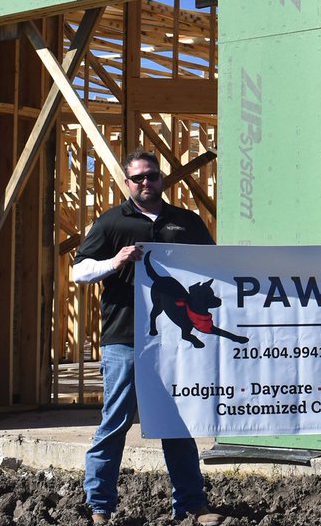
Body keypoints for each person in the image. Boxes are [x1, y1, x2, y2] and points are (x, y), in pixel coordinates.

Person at [72, 149, 222, 526]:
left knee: (177, 423)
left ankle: (191, 505)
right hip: (124, 339)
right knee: (116, 421)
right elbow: (79, 271)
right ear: (127, 183)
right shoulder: (111, 223)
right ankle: (100, 506)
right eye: (137, 177)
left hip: (173, 342)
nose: (145, 182)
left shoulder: (186, 222)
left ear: (161, 178)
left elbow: (215, 267)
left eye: (151, 175)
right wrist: (115, 262)